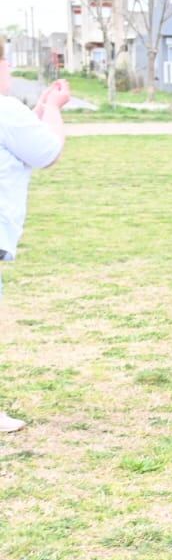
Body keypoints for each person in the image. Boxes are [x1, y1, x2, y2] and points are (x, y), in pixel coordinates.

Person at [1, 75, 71, 433]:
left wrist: (41, 111)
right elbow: (47, 152)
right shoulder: (5, 109)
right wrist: (55, 111)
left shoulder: (12, 113)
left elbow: (20, 136)